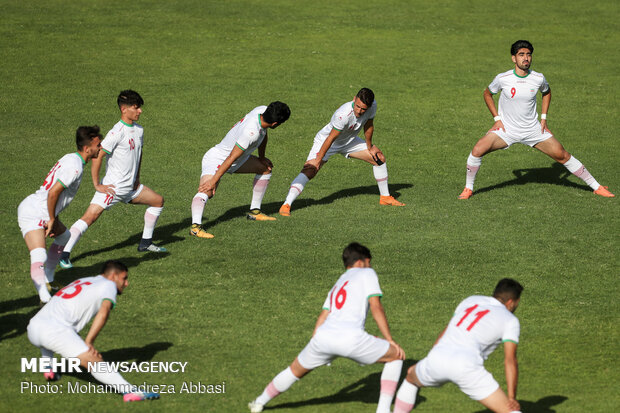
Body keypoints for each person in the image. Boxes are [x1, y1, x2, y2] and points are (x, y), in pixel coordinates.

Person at [248, 243, 405, 413]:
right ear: (360, 262)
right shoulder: (366, 273)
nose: (370, 265)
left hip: (323, 337)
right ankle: (383, 410)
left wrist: (315, 337)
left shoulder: (340, 281)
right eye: (369, 261)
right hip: (351, 338)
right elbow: (375, 306)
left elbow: (324, 313)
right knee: (396, 356)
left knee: (293, 371)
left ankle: (258, 402)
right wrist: (389, 339)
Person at [458, 40, 614, 199]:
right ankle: (468, 188)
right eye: (521, 55)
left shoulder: (538, 78)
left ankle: (596, 187)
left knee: (562, 155)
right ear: (514, 58)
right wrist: (497, 119)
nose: (526, 58)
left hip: (533, 130)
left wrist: (544, 118)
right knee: (477, 150)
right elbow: (487, 94)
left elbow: (546, 92)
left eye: (528, 54)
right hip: (506, 130)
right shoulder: (502, 78)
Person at [59, 90, 166, 269]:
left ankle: (146, 243)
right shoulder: (116, 132)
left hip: (132, 188)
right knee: (89, 217)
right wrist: (97, 184)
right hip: (113, 189)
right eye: (136, 107)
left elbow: (138, 155)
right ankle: (64, 254)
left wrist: (137, 177)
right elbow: (98, 156)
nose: (140, 111)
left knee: (158, 201)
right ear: (124, 109)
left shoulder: (139, 130)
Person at [27, 260, 159, 402]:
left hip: (33, 327)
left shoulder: (85, 280)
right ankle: (130, 392)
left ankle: (48, 367)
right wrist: (89, 341)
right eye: (124, 278)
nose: (126, 283)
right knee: (94, 361)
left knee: (63, 330)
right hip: (54, 332)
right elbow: (104, 313)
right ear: (114, 276)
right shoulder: (109, 285)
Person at [392, 278, 524, 413]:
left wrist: (431, 357)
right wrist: (511, 397)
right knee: (510, 410)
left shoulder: (471, 300)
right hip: (466, 366)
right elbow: (510, 360)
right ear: (510, 302)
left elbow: (447, 330)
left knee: (411, 377)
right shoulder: (510, 320)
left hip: (438, 357)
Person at [279, 88, 404, 217]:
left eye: (363, 109)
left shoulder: (373, 106)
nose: (359, 111)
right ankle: (286, 204)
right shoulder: (343, 114)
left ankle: (385, 197)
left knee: (378, 158)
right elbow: (330, 138)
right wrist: (318, 160)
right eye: (357, 107)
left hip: (349, 142)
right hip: (328, 142)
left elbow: (369, 125)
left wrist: (369, 146)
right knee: (310, 170)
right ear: (354, 99)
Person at [17, 126, 102, 303]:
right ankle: (43, 296)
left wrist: (53, 217)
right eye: (98, 145)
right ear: (87, 149)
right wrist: (52, 218)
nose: (100, 148)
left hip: (42, 208)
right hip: (34, 212)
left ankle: (48, 279)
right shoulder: (75, 167)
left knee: (64, 237)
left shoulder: (71, 157)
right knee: (38, 254)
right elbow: (53, 192)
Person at [189, 101, 291, 238]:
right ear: (275, 124)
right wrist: (213, 180)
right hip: (218, 159)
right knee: (207, 189)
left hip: (239, 160)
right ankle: (195, 228)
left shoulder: (262, 111)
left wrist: (262, 157)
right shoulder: (251, 132)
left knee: (265, 168)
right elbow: (230, 157)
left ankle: (255, 212)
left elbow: (264, 134)